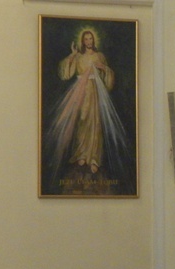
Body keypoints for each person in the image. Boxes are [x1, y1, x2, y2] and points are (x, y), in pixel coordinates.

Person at [44, 29, 135, 194]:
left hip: (94, 92)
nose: (88, 41)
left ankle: (94, 158)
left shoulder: (99, 56)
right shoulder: (78, 57)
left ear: (94, 40)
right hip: (80, 92)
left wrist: (104, 69)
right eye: (85, 39)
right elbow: (65, 73)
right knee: (82, 121)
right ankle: (81, 155)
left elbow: (109, 78)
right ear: (82, 41)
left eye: (90, 38)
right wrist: (72, 55)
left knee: (95, 122)